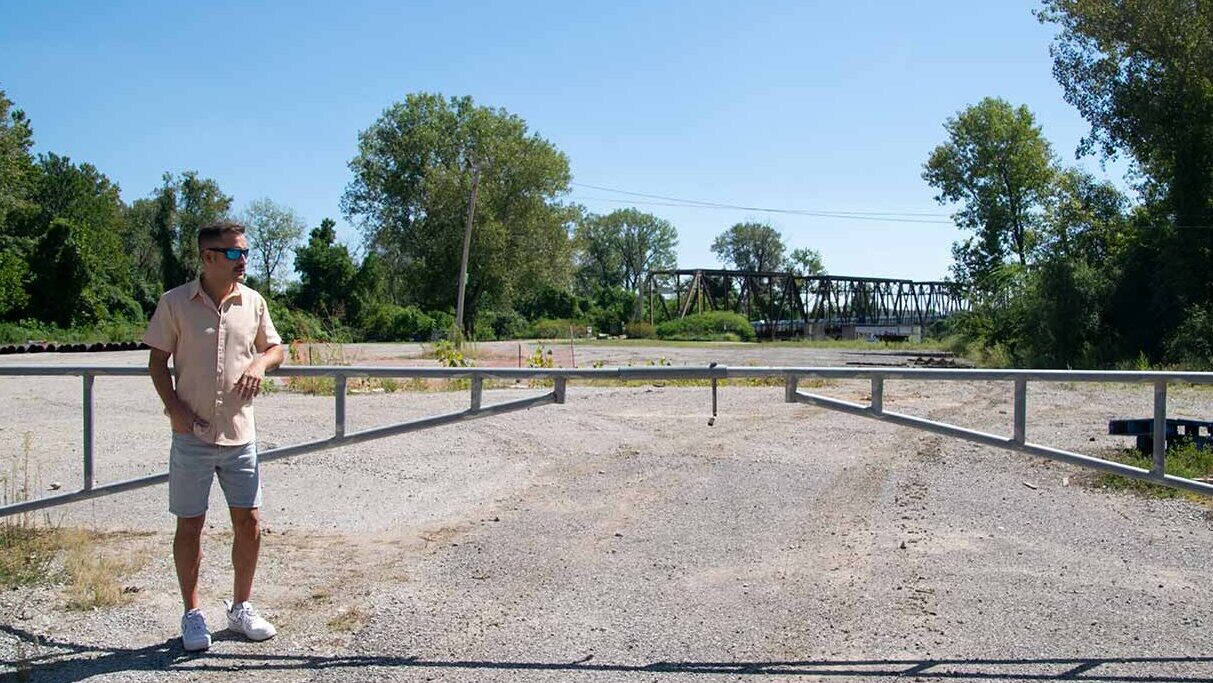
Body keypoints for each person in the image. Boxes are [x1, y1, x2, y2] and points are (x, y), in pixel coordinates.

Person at [144, 220, 285, 652]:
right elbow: (156, 362)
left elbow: (276, 348)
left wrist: (260, 365)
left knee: (251, 523)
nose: (243, 259)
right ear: (208, 257)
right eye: (233, 253)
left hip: (240, 435)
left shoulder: (254, 302)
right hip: (192, 437)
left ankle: (241, 607)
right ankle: (192, 615)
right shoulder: (175, 303)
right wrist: (175, 410)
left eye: (244, 252)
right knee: (191, 526)